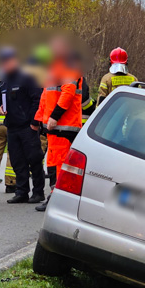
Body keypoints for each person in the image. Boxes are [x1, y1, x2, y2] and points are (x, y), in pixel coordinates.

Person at [34, 39, 85, 212]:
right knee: (53, 164)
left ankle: (58, 201)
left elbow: (68, 92)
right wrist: (38, 120)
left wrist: (54, 116)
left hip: (64, 126)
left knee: (59, 164)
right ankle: (55, 198)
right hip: (55, 127)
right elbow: (45, 98)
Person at [0, 48, 44, 204]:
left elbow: (38, 100)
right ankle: (22, 191)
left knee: (34, 160)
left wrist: (34, 124)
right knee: (17, 161)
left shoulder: (27, 77)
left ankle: (38, 192)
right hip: (12, 127)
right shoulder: (3, 82)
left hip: (28, 127)